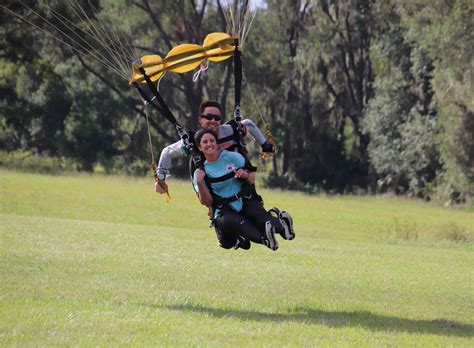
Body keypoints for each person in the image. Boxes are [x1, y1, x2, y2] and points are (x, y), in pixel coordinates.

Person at [193, 128, 294, 251]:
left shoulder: (233, 157)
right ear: (199, 147)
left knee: (258, 216)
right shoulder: (201, 171)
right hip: (225, 209)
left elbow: (251, 179)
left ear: (217, 143)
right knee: (233, 221)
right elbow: (207, 202)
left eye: (212, 140)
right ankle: (266, 238)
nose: (209, 144)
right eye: (205, 142)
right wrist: (200, 182)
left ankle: (282, 226)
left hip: (244, 200)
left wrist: (245, 175)